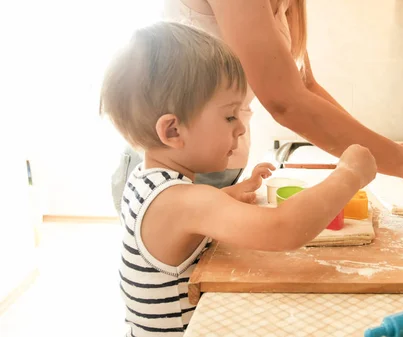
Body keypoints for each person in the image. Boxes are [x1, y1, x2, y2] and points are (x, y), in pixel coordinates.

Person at [100, 22, 377, 337]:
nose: (241, 128)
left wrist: (228, 196)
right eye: (230, 115)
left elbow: (182, 223)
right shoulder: (183, 201)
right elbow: (282, 229)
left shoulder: (144, 179)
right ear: (173, 131)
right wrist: (350, 175)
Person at [110, 0, 403, 214]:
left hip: (219, 167)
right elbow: (284, 102)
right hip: (173, 164)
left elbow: (304, 87)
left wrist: (386, 150)